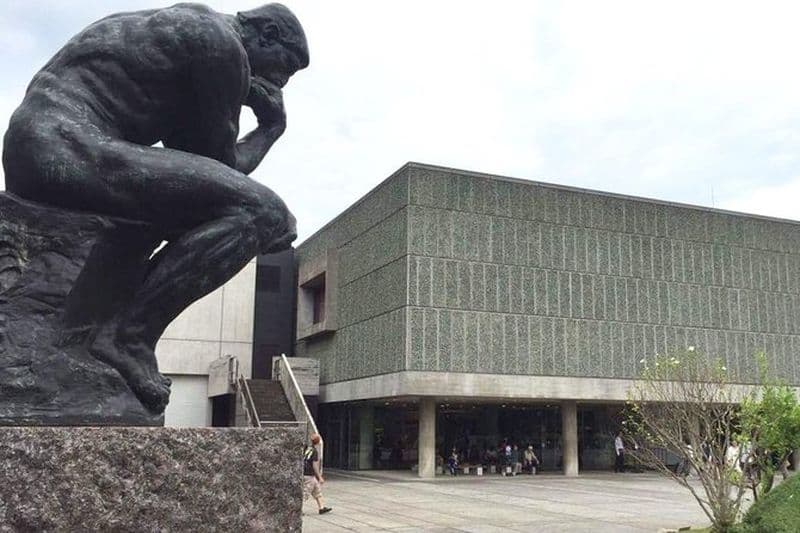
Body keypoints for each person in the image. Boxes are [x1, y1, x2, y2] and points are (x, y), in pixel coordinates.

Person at [2, 3, 308, 413]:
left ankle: (105, 315)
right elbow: (219, 164)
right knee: (265, 214)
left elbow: (197, 165)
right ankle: (129, 337)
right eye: (281, 71)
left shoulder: (191, 29)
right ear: (266, 35)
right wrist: (270, 129)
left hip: (47, 143)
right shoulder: (221, 45)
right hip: (64, 144)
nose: (277, 84)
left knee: (244, 213)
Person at [304, 434, 332, 515]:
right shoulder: (315, 452)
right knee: (305, 493)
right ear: (318, 442)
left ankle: (321, 508)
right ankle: (297, 510)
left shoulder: (307, 449)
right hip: (309, 475)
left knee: (317, 491)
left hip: (306, 474)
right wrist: (320, 477)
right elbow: (315, 465)